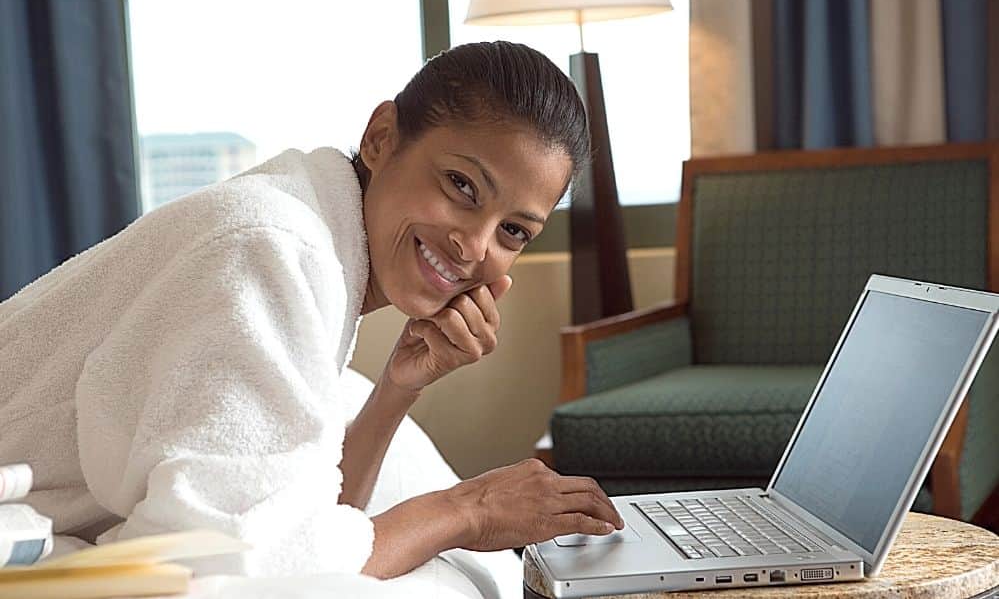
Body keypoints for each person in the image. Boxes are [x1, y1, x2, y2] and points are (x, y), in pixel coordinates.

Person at [0, 41, 624, 580]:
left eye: (514, 231)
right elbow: (226, 564)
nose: (475, 245)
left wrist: (398, 389)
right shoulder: (271, 249)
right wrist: (467, 511)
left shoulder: (308, 240)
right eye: (462, 186)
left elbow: (301, 519)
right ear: (382, 137)